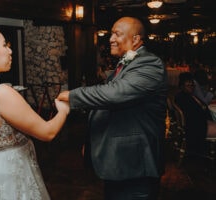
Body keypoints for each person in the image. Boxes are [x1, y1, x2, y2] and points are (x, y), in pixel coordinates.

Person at [57, 17, 167, 200]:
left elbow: (115, 94)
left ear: (135, 39)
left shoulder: (150, 64)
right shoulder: (127, 62)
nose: (110, 38)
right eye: (111, 33)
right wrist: (93, 143)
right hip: (119, 162)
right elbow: (110, 108)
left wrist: (72, 95)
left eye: (117, 33)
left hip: (135, 165)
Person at [0, 26, 69, 200]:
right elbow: (48, 132)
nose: (10, 51)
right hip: (9, 176)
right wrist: (63, 111)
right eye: (4, 45)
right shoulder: (2, 94)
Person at [174, 72, 216, 154]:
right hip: (196, 129)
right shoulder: (183, 98)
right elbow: (194, 116)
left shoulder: (189, 96)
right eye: (188, 84)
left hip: (198, 125)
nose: (191, 85)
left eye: (192, 83)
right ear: (182, 85)